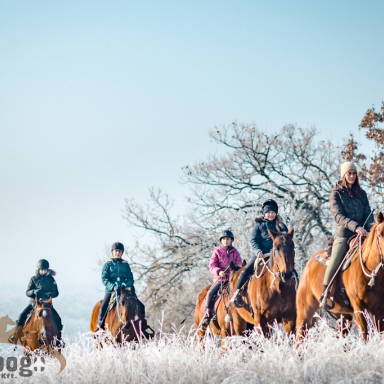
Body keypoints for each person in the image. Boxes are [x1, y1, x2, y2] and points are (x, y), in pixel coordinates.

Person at [320, 162, 374, 309]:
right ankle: (326, 292)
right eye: (349, 173)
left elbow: (368, 213)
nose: (351, 176)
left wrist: (372, 227)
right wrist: (355, 227)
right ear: (344, 175)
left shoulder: (362, 193)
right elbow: (338, 216)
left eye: (354, 173)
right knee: (336, 259)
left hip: (364, 233)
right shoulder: (336, 193)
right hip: (344, 233)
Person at [231, 199, 288, 307]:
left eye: (273, 212)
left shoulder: (282, 226)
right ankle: (237, 294)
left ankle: (296, 292)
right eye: (268, 212)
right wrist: (258, 251)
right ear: (264, 213)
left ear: (276, 213)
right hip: (262, 253)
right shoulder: (259, 225)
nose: (270, 215)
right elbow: (254, 240)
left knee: (291, 271)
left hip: (278, 255)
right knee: (247, 270)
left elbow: (287, 240)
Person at [98, 242, 152, 338]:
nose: (117, 253)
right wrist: (113, 286)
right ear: (112, 252)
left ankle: (143, 328)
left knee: (141, 305)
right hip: (111, 290)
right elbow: (104, 278)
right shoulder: (107, 264)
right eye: (116, 251)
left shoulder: (125, 265)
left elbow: (130, 277)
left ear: (121, 253)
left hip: (125, 290)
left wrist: (127, 285)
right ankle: (100, 327)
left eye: (119, 251)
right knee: (103, 307)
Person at [9, 259, 62, 343]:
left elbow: (56, 292)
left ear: (47, 270)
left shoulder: (51, 279)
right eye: (42, 270)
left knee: (58, 318)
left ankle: (59, 339)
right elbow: (28, 292)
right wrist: (34, 292)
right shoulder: (33, 279)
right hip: (34, 304)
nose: (43, 271)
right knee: (22, 316)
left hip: (47, 305)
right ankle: (16, 334)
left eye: (45, 270)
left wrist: (48, 294)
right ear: (38, 270)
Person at [201, 230, 242, 327]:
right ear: (221, 241)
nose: (226, 241)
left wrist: (235, 271)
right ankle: (207, 315)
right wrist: (219, 271)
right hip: (220, 280)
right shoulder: (217, 252)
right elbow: (211, 266)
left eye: (228, 239)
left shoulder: (235, 252)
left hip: (232, 279)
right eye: (224, 239)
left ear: (231, 240)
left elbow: (238, 265)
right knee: (210, 293)